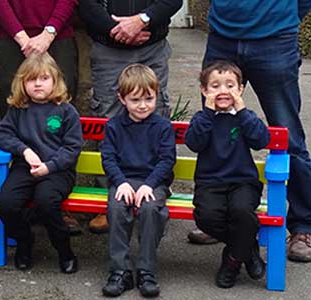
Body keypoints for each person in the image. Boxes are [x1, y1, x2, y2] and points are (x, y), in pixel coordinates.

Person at [194, 1, 311, 258]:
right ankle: (219, 219)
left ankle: (303, 226)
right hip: (222, 39)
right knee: (216, 131)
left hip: (275, 41)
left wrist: (284, 18)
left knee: (288, 137)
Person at [78, 0, 182, 234]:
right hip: (108, 49)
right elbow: (85, 4)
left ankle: (155, 197)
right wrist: (116, 30)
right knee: (106, 121)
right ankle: (109, 200)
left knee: (157, 119)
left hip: (152, 48)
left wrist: (142, 20)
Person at [0, 0, 82, 234]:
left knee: (61, 118)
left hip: (57, 38)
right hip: (12, 40)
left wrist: (48, 33)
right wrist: (21, 37)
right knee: (15, 116)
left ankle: (57, 203)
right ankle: (19, 202)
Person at [0, 53, 82, 272]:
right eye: (32, 79)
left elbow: (72, 149)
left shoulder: (66, 112)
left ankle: (64, 250)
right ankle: (25, 241)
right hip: (26, 168)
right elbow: (4, 135)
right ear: (23, 83)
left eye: (44, 78)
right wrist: (24, 151)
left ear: (55, 81)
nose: (38, 84)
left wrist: (49, 166)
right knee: (5, 203)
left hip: (58, 171)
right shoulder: (18, 110)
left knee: (46, 202)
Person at [185, 61, 270, 288]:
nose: (223, 90)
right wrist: (208, 113)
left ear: (241, 89)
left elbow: (261, 140)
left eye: (230, 85)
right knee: (206, 217)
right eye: (215, 86)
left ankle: (232, 261)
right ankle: (247, 249)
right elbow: (194, 142)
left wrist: (242, 112)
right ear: (204, 91)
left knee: (242, 211)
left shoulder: (246, 117)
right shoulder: (202, 119)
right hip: (210, 183)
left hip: (243, 182)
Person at [99, 64, 175, 298]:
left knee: (151, 209)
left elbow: (166, 160)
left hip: (153, 182)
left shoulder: (162, 127)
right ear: (122, 99)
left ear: (156, 95)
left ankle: (146, 269)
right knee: (117, 208)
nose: (143, 105)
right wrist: (120, 182)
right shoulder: (114, 126)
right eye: (135, 100)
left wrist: (149, 185)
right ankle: (120, 271)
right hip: (123, 181)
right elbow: (108, 158)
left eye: (149, 99)